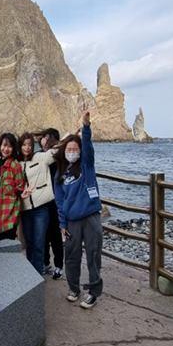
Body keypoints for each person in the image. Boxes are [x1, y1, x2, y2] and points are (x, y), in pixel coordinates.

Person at [54, 110, 103, 309]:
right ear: (65, 151)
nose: (72, 151)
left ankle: (93, 292)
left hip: (91, 218)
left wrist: (86, 127)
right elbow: (59, 200)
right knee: (71, 256)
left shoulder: (86, 166)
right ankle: (74, 288)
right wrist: (62, 224)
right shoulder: (60, 172)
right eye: (69, 148)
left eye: (76, 148)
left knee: (93, 254)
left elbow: (89, 147)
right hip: (71, 221)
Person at [19, 132, 57, 274]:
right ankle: (31, 275)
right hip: (25, 209)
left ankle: (38, 273)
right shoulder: (17, 163)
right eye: (24, 144)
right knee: (29, 243)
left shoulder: (40, 157)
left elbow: (55, 152)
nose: (27, 148)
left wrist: (68, 137)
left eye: (29, 145)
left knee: (39, 243)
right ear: (20, 146)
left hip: (41, 208)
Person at [0, 132, 24, 242]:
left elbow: (20, 187)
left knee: (7, 244)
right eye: (4, 145)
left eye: (9, 146)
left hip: (8, 211)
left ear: (13, 148)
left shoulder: (15, 165)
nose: (6, 149)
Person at [38, 128, 64, 279]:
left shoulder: (60, 156)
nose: (45, 141)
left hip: (56, 201)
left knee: (55, 234)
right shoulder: (39, 155)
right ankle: (45, 262)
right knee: (44, 234)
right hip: (43, 200)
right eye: (43, 138)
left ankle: (59, 265)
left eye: (48, 138)